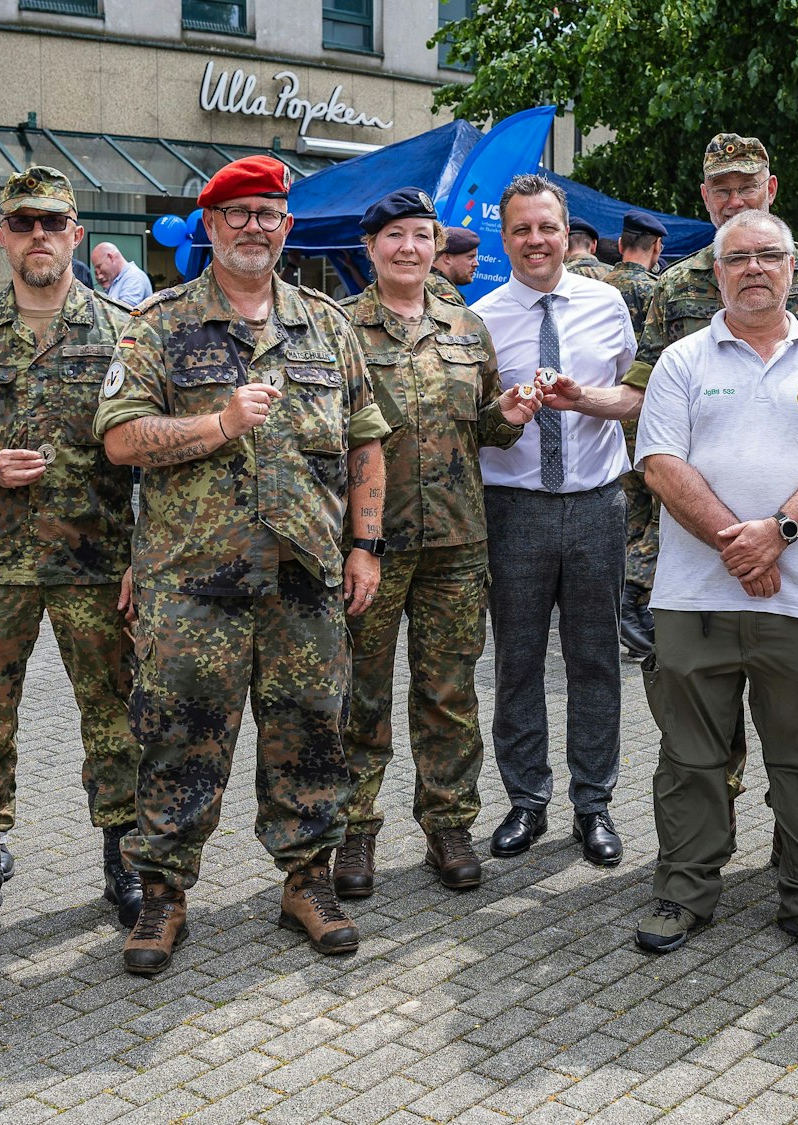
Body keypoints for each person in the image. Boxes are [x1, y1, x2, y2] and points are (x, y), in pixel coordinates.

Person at [96, 154, 391, 973]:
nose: (254, 227)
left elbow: (367, 440)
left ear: (287, 226)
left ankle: (307, 881)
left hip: (305, 584)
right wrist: (217, 424)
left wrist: (365, 547)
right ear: (210, 226)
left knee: (310, 736)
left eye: (269, 213)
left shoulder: (327, 325)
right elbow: (120, 437)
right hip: (192, 588)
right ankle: (161, 896)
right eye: (238, 214)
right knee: (177, 741)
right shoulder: (158, 322)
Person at [631, 210, 798, 965]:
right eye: (739, 258)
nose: (756, 268)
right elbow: (661, 463)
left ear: (794, 269)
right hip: (694, 598)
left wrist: (779, 534)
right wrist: (742, 546)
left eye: (771, 254)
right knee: (691, 757)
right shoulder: (680, 361)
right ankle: (686, 890)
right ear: (717, 270)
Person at [0, 167, 143, 940]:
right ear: (2, 239)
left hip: (99, 559)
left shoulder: (126, 328)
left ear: (76, 234)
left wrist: (141, 557)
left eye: (53, 224)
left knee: (116, 715)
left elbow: (153, 455)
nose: (39, 237)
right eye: (23, 224)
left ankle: (125, 856)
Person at [623, 134, 798, 816]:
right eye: (720, 188)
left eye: (745, 186)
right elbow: (652, 422)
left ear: (771, 189)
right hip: (699, 562)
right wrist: (743, 542)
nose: (734, 198)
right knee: (698, 741)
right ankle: (697, 858)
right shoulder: (674, 290)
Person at [332, 188, 535, 898]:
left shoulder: (466, 326)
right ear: (371, 247)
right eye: (394, 237)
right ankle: (354, 831)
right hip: (372, 543)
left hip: (456, 539)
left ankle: (448, 822)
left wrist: (505, 414)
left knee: (448, 692)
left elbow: (483, 423)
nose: (409, 248)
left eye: (422, 236)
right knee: (361, 693)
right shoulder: (341, 329)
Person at [471, 174, 638, 869]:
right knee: (516, 662)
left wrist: (588, 400)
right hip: (514, 510)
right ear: (504, 237)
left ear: (567, 233)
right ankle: (527, 800)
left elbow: (635, 397)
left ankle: (593, 804)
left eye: (547, 228)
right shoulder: (478, 319)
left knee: (595, 660)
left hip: (598, 505)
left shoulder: (608, 305)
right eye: (521, 229)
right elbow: (470, 422)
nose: (536, 241)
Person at [606, 209, 666, 657]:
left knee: (628, 520)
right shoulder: (655, 291)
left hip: (606, 417)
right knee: (658, 519)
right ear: (656, 247)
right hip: (646, 416)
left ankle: (623, 608)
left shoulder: (596, 289)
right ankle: (632, 599)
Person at [91, 241, 154, 308]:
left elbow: (124, 313)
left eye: (99, 266)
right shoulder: (119, 280)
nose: (99, 275)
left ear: (110, 257)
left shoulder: (133, 277)